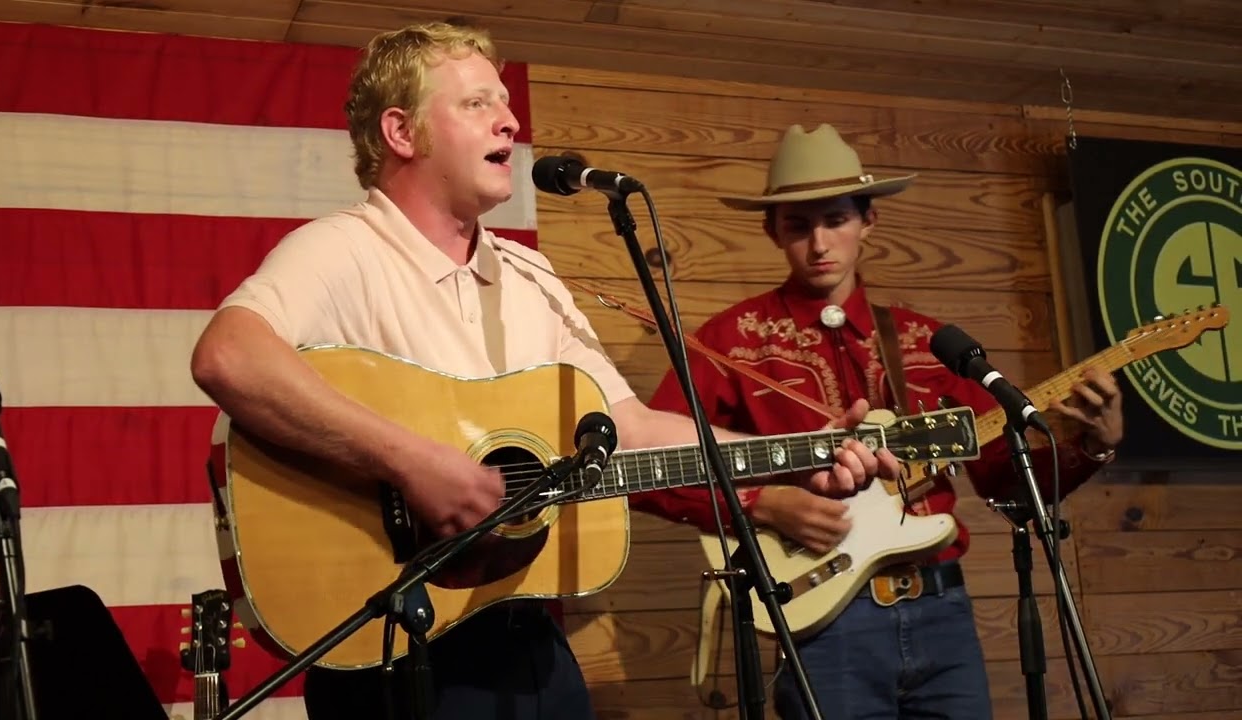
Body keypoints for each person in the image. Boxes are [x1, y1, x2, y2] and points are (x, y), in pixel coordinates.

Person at [188, 26, 900, 720]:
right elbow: (229, 356)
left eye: (505, 102)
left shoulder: (529, 274)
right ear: (402, 132)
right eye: (477, 103)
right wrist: (411, 463)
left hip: (526, 635)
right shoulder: (342, 250)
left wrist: (795, 456)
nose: (510, 120)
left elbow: (630, 426)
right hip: (393, 646)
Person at [628, 124, 1125, 719]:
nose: (819, 243)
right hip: (823, 618)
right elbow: (647, 469)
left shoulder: (930, 342)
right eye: (798, 225)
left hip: (943, 609)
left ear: (869, 221)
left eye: (836, 219)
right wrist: (763, 504)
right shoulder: (728, 342)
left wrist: (1093, 447)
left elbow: (1003, 480)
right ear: (772, 230)